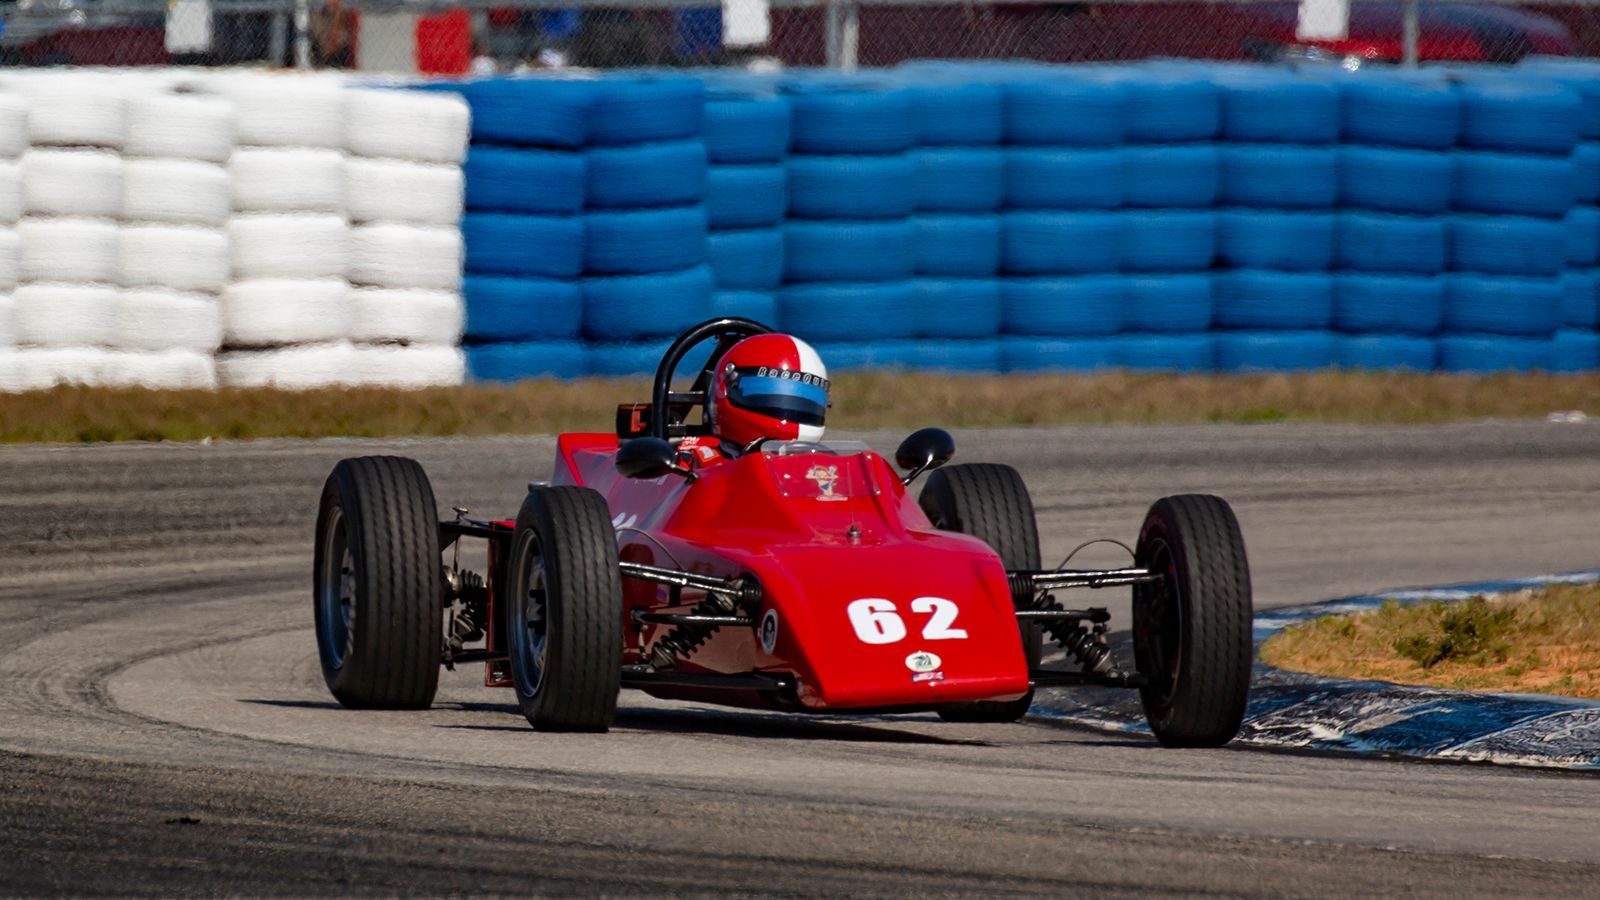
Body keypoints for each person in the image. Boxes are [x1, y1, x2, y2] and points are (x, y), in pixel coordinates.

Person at [705, 334, 830, 455]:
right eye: (763, 391)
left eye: (808, 400)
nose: (789, 405)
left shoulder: (822, 468)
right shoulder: (699, 462)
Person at [310, 0, 356, 68]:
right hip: (321, 48)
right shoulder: (315, 10)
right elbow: (318, 33)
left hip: (337, 51)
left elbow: (341, 35)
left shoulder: (344, 12)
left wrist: (338, 11)